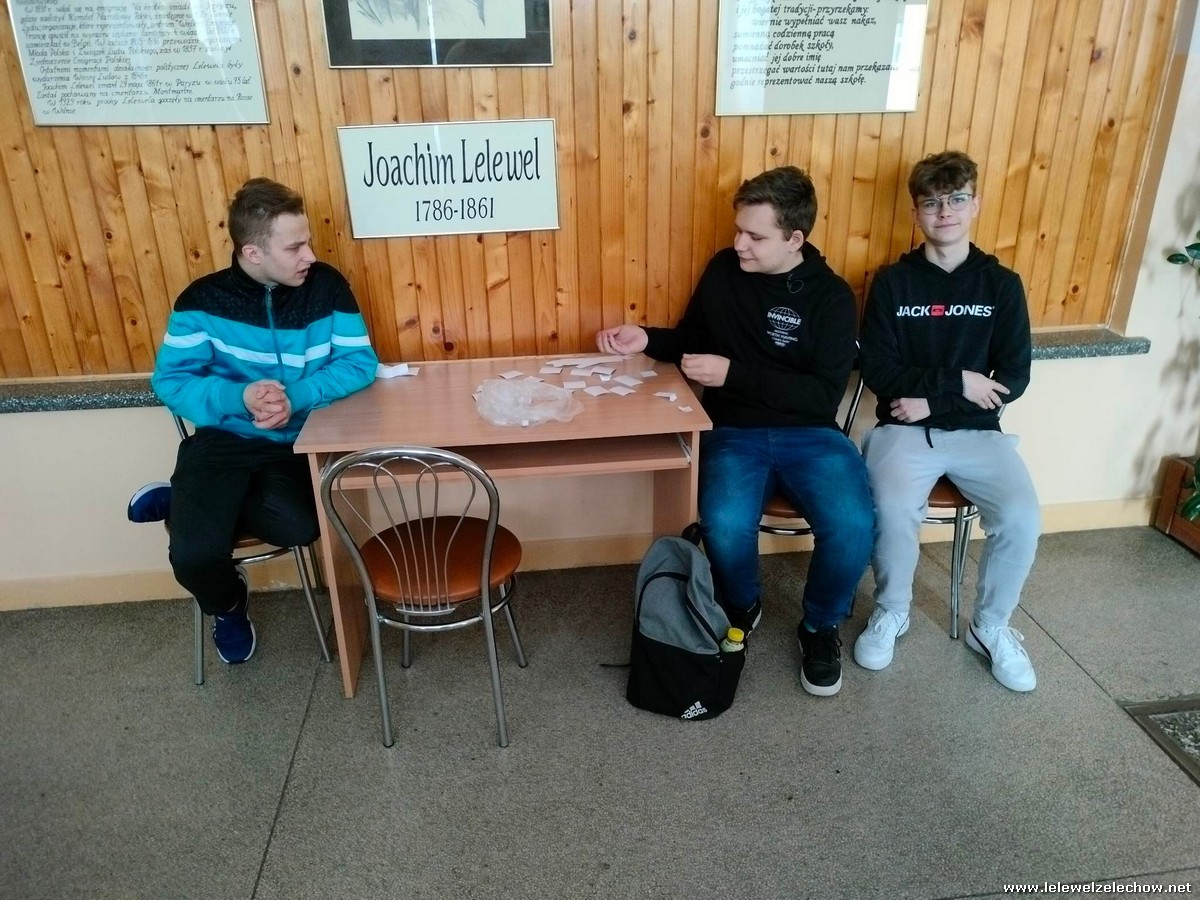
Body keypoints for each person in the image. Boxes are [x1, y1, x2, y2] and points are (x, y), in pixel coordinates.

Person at [597, 166, 874, 697]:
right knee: (723, 523)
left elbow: (822, 396)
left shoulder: (832, 297)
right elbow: (692, 338)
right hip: (734, 430)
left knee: (854, 524)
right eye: (738, 230)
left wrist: (735, 374)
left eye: (755, 236)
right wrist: (646, 339)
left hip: (811, 434)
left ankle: (820, 626)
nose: (739, 244)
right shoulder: (724, 270)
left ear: (795, 239)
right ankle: (743, 605)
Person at [148, 178, 378, 665]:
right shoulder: (201, 301)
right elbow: (171, 382)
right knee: (193, 557)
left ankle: (181, 501)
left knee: (300, 525)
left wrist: (298, 396)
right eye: (295, 247)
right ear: (252, 252)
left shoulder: (327, 286)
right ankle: (229, 608)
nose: (310, 255)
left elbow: (360, 362)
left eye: (307, 242)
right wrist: (239, 396)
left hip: (296, 442)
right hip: (224, 439)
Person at [855, 150, 1041, 692]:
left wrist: (933, 401)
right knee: (892, 510)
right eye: (932, 202)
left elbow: (1013, 379)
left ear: (975, 204)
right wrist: (959, 381)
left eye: (957, 199)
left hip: (978, 434)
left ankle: (991, 627)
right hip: (903, 430)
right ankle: (893, 611)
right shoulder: (892, 282)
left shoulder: (1001, 285)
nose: (945, 212)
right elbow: (880, 372)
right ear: (916, 212)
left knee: (1022, 517)